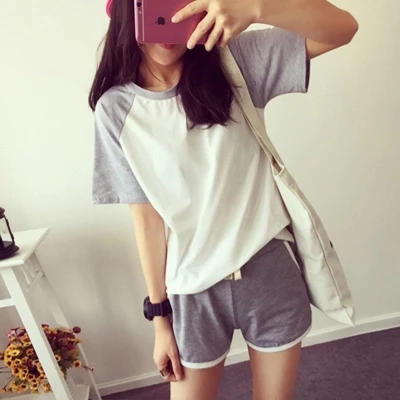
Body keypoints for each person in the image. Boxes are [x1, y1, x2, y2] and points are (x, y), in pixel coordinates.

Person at [89, 0, 358, 399]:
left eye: (182, 5)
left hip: (268, 270)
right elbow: (147, 221)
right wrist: (160, 320)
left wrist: (256, 8)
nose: (172, 22)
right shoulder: (115, 110)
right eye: (156, 7)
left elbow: (343, 29)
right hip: (191, 290)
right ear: (130, 12)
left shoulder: (238, 64)